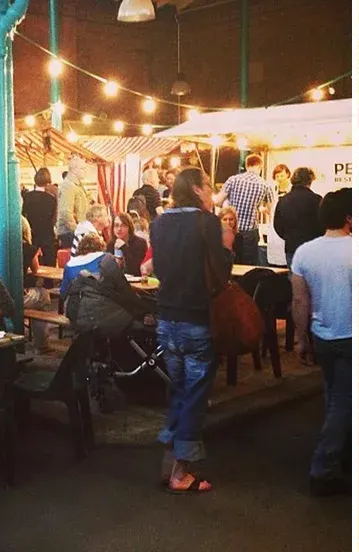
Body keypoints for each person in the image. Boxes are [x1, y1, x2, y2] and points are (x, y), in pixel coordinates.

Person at [149, 168, 234, 493]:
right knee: (194, 395)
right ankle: (180, 472)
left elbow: (159, 267)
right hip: (197, 318)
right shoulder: (206, 223)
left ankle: (169, 458)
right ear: (198, 190)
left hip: (166, 319)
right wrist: (226, 247)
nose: (212, 193)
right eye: (210, 187)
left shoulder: (159, 223)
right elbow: (221, 272)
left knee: (180, 389)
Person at [290, 188, 353, 496]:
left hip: (323, 335)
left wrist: (301, 339)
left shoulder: (304, 252)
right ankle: (323, 468)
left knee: (333, 399)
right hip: (350, 335)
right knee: (341, 403)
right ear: (347, 216)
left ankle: (340, 458)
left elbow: (299, 301)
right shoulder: (357, 249)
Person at [215, 154, 274, 265]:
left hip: (231, 227)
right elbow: (272, 210)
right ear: (260, 166)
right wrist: (260, 207)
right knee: (248, 266)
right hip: (250, 232)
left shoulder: (233, 180)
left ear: (247, 166)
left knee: (231, 263)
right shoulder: (265, 185)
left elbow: (217, 201)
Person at [274, 167, 324, 268]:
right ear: (310, 181)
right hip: (312, 247)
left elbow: (277, 226)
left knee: (294, 279)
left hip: (291, 246)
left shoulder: (283, 200)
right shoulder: (317, 199)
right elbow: (324, 224)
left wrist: (289, 237)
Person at [21, 216, 51, 353]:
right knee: (44, 295)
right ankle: (41, 344)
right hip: (19, 296)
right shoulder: (29, 248)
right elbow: (35, 269)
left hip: (3, 294)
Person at [22, 167, 58, 266]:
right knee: (49, 261)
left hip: (32, 232)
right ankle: (48, 281)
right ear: (48, 181)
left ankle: (31, 280)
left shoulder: (27, 196)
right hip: (47, 233)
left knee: (30, 260)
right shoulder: (51, 199)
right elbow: (53, 218)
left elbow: (23, 214)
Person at [60, 232, 108, 299]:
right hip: (101, 302)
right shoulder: (105, 258)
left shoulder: (69, 265)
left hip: (77, 304)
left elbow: (63, 292)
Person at [56, 157, 89, 249]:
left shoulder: (76, 185)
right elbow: (65, 212)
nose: (85, 171)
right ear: (74, 170)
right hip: (70, 234)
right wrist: (78, 231)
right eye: (82, 169)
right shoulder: (68, 186)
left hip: (74, 232)